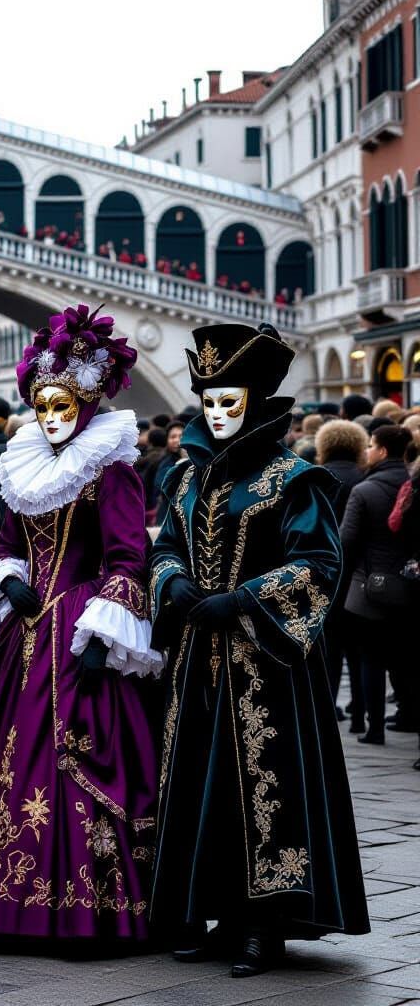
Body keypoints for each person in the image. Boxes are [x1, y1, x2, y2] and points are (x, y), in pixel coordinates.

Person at [150, 322, 369, 978]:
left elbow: (319, 564)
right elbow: (163, 544)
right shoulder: (183, 478)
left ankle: (261, 927)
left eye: (230, 403)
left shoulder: (294, 480)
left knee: (264, 791)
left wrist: (244, 599)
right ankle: (209, 912)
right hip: (196, 665)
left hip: (264, 668)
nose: (217, 416)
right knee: (198, 786)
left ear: (257, 406)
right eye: (209, 403)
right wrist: (174, 580)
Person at [0, 305, 162, 941]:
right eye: (44, 408)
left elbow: (127, 555)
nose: (53, 419)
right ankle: (4, 902)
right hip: (25, 628)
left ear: (87, 407)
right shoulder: (24, 468)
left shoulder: (109, 468)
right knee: (4, 756)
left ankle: (86, 907)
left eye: (64, 408)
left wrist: (102, 631)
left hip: (77, 629)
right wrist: (9, 578)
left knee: (74, 757)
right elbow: (8, 542)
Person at [340, 425, 417, 744]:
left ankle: (374, 727)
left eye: (371, 445)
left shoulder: (365, 490)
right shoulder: (413, 483)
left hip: (370, 586)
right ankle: (410, 713)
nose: (367, 450)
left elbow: (346, 540)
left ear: (383, 450)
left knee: (370, 658)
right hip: (410, 585)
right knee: (406, 657)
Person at [315, 419, 367, 726]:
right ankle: (360, 710)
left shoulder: (319, 478)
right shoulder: (364, 477)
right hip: (360, 572)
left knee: (330, 647)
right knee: (359, 648)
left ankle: (329, 705)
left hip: (329, 572)